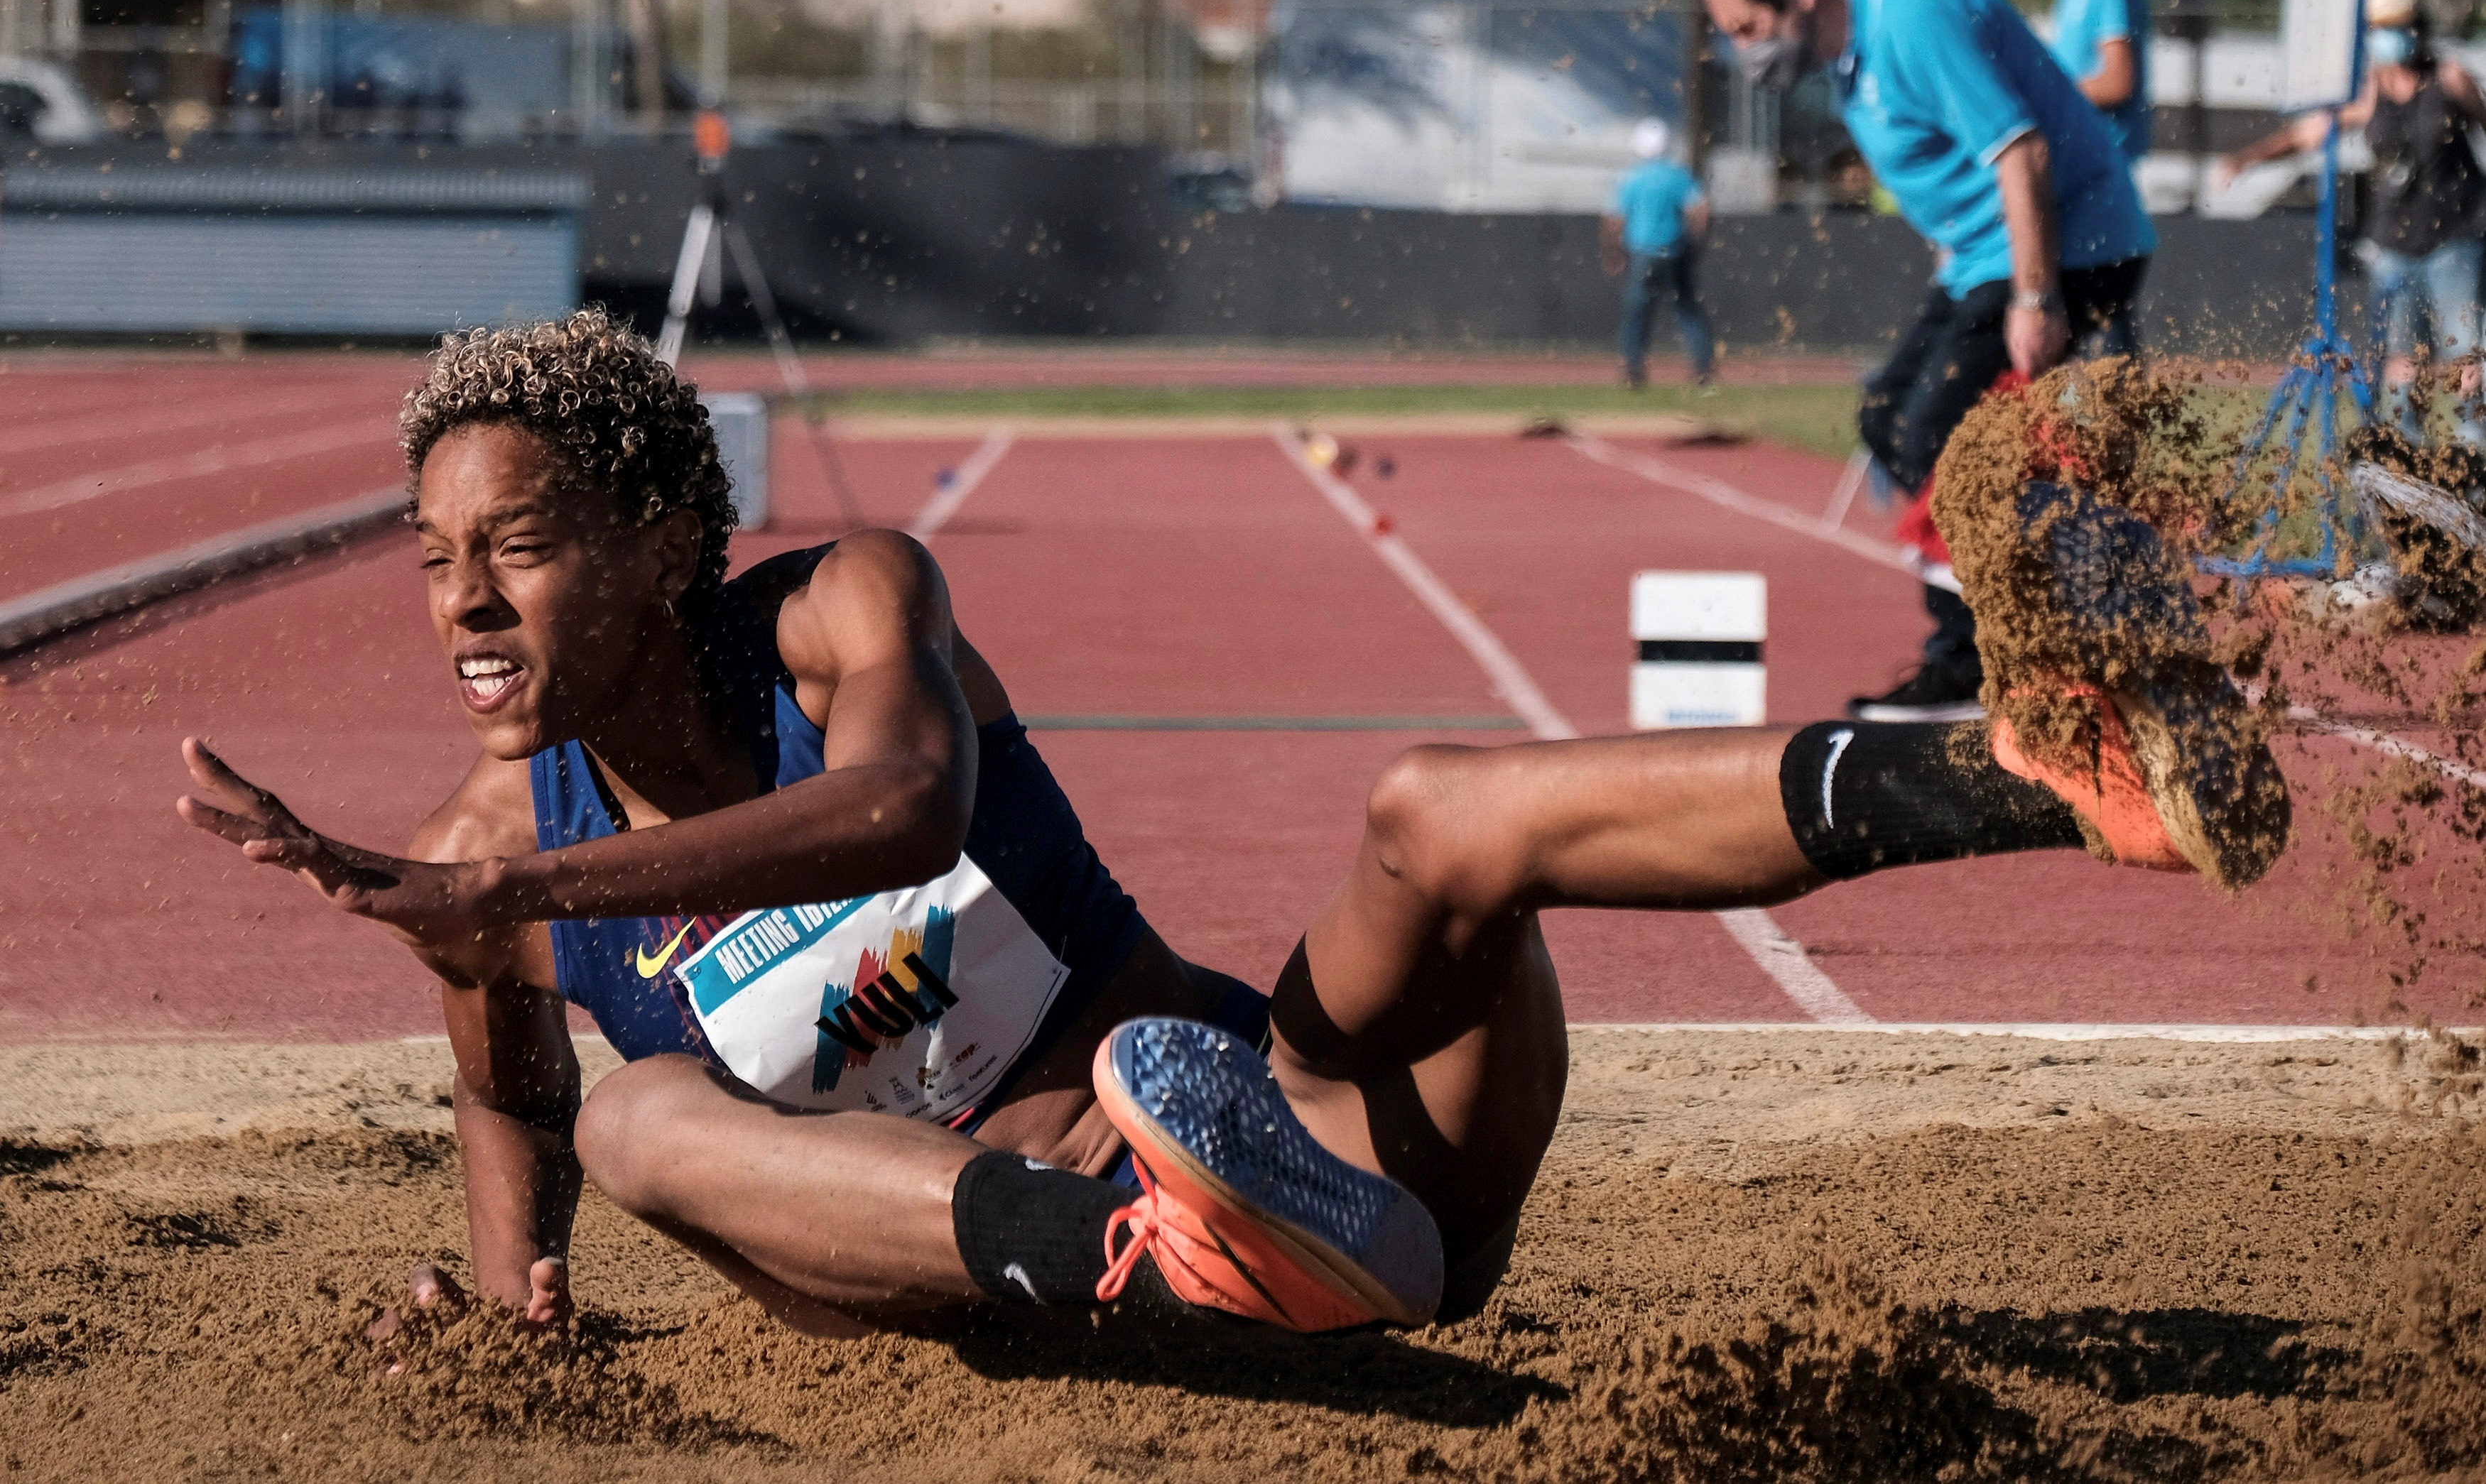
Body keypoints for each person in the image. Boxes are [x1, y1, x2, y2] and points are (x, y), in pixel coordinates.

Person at [174, 310, 2284, 1341]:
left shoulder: (834, 615)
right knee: (639, 1124)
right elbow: (520, 1112)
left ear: (650, 543)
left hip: (1330, 1173)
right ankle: (1141, 1261)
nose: (457, 601)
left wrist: (520, 886)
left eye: (514, 547)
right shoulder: (479, 858)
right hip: (1031, 1284)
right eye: (430, 558)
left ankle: (2024, 771)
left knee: (1428, 812)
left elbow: (909, 810)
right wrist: (507, 1303)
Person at [1698, 0, 2156, 725]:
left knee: (1935, 436)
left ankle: (1981, 661)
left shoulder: (1910, 19)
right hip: (1982, 257)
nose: (1741, 51)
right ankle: (2048, 600)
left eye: (1746, 27)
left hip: (2071, 248)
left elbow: (2022, 152)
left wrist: (2034, 297)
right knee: (1885, 417)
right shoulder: (1845, 47)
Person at [2220, 0, 2486, 452]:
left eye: (2398, 26)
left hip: (2456, 238)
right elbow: (2308, 133)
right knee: (2404, 365)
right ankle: (2411, 464)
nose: (2391, 37)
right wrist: (2248, 158)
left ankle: (2474, 455)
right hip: (2394, 246)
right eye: (2381, 27)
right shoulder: (2369, 92)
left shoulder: (2450, 80)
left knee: (2467, 355)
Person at [2029, 0, 2152, 358]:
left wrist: (2041, 93)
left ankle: (2110, 432)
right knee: (2083, 323)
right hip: (2078, 167)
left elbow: (2117, 79)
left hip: (2099, 168)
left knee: (2097, 319)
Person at [1604, 117, 1717, 391]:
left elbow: (1614, 220)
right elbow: (1700, 211)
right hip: (1675, 251)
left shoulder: (1632, 178)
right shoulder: (1678, 175)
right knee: (1687, 309)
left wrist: (1613, 254)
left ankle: (1633, 368)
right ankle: (1702, 368)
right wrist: (1696, 245)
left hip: (1642, 253)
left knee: (1637, 311)